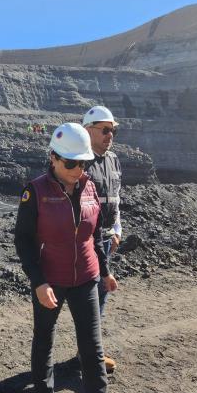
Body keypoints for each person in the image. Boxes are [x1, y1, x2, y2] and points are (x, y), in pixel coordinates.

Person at [15, 122, 118, 393]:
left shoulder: (89, 187)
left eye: (83, 163)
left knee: (92, 349)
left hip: (86, 277)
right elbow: (23, 241)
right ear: (53, 157)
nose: (78, 171)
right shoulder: (34, 192)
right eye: (71, 163)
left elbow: (95, 235)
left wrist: (106, 272)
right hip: (50, 281)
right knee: (44, 341)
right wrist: (38, 281)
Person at [82, 106, 122, 373]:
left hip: (107, 240)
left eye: (112, 130)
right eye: (105, 130)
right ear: (88, 131)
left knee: (100, 297)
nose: (110, 135)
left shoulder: (113, 160)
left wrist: (117, 228)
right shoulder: (80, 161)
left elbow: (116, 197)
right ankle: (90, 357)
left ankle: (88, 354)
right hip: (86, 243)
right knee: (87, 298)